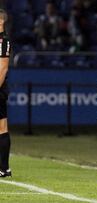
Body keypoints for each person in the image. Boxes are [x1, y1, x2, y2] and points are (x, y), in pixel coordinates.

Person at [0, 9, 11, 178]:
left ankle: (3, 168)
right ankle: (4, 168)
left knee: (2, 127)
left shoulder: (3, 41)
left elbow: (3, 68)